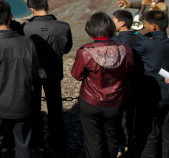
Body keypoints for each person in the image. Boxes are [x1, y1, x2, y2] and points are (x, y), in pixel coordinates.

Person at [0, 0, 41, 158]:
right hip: (22, 102)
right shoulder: (28, 44)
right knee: (22, 141)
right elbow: (34, 74)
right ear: (11, 17)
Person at [71, 12, 134, 158]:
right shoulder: (125, 49)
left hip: (91, 100)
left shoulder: (86, 52)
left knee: (93, 139)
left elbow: (77, 75)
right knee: (112, 137)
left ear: (91, 29)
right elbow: (129, 71)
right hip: (117, 100)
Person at [22, 0, 72, 152]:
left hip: (34, 75)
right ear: (47, 6)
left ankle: (37, 142)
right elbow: (67, 49)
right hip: (54, 73)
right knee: (55, 107)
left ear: (31, 9)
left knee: (34, 107)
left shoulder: (26, 28)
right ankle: (58, 142)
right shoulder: (64, 27)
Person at [133, 10, 169, 157]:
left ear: (153, 27)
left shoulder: (145, 45)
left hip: (150, 97)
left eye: (146, 24)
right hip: (168, 96)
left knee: (149, 136)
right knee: (167, 136)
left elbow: (132, 58)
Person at [111, 10, 144, 155]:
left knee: (122, 119)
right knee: (135, 117)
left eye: (114, 20)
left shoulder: (117, 42)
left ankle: (123, 146)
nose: (112, 23)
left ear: (122, 23)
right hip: (139, 85)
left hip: (122, 86)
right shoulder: (142, 39)